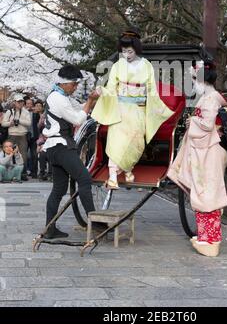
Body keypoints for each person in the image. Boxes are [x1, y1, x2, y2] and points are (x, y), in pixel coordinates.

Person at [91, 29, 174, 189]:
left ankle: (127, 168)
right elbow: (111, 87)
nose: (126, 54)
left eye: (129, 51)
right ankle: (113, 176)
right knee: (116, 141)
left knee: (135, 143)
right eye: (123, 51)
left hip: (138, 108)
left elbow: (152, 91)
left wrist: (157, 108)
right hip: (120, 109)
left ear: (136, 49)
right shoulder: (117, 65)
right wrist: (103, 91)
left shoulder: (147, 66)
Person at [167, 49, 227, 257]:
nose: (193, 84)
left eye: (194, 79)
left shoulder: (209, 99)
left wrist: (192, 121)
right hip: (206, 152)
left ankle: (210, 242)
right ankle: (205, 237)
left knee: (207, 195)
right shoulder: (209, 98)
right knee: (203, 194)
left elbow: (206, 125)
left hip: (207, 153)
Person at [42, 64, 100, 239]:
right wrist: (89, 102)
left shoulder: (61, 96)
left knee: (58, 189)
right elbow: (77, 119)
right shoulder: (58, 99)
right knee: (84, 178)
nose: (75, 87)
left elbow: (78, 109)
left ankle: (49, 229)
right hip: (61, 146)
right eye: (74, 84)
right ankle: (95, 223)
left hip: (55, 147)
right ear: (65, 83)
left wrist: (91, 102)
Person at [1, 94, 31, 181]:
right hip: (12, 135)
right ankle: (9, 173)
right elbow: (3, 123)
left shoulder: (25, 111)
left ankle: (23, 173)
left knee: (23, 155)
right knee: (9, 154)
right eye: (18, 101)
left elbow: (29, 123)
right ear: (14, 102)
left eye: (21, 101)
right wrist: (10, 123)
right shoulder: (9, 112)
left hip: (22, 135)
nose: (20, 103)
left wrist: (19, 120)